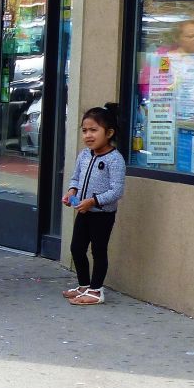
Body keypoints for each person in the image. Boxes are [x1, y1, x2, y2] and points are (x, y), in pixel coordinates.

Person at [62, 103, 126, 306]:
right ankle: (84, 285)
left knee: (98, 251)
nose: (88, 135)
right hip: (84, 210)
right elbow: (76, 178)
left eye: (93, 130)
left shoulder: (115, 160)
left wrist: (93, 200)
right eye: (84, 131)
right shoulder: (84, 155)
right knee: (76, 248)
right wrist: (72, 191)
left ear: (109, 133)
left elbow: (117, 191)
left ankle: (96, 291)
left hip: (102, 214)